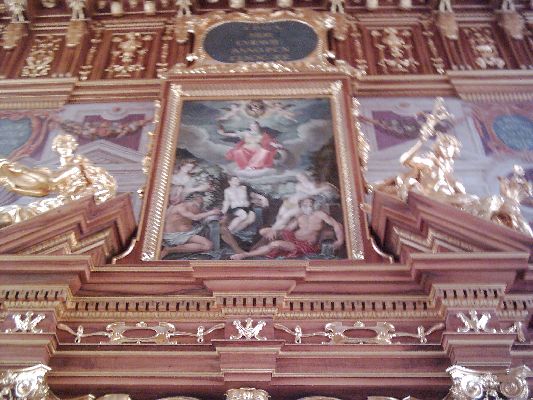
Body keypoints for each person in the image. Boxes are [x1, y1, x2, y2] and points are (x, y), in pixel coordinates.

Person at [230, 198, 344, 260]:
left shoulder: (320, 214)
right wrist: (274, 231)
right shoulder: (300, 216)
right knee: (265, 231)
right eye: (305, 205)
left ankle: (245, 255)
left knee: (275, 244)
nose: (308, 207)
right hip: (292, 238)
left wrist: (339, 241)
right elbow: (289, 228)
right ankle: (251, 249)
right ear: (301, 207)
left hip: (304, 244)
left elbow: (337, 225)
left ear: (313, 205)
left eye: (310, 205)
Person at [261, 172, 337, 240]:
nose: (301, 179)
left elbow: (314, 193)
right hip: (289, 203)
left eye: (303, 177)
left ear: (307, 177)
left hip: (298, 204)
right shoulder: (299, 185)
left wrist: (323, 188)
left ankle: (273, 230)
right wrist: (322, 189)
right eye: (300, 178)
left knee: (287, 216)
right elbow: (312, 192)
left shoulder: (314, 185)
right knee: (280, 216)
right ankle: (273, 229)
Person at [161, 193, 221, 258]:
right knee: (208, 246)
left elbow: (199, 214)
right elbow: (194, 217)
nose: (199, 206)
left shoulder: (191, 206)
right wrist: (211, 212)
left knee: (209, 235)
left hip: (186, 233)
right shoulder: (181, 207)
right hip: (176, 236)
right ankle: (170, 250)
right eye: (198, 204)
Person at [218, 121, 283, 170]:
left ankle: (254, 165)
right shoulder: (245, 133)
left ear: (258, 127)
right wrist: (224, 133)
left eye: (255, 126)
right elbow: (234, 135)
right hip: (246, 151)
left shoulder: (262, 135)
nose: (254, 128)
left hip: (257, 152)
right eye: (252, 127)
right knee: (238, 151)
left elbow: (269, 141)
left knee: (265, 151)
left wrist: (276, 145)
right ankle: (245, 166)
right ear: (250, 127)